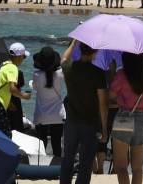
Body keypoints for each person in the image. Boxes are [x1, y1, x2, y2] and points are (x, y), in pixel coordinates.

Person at [59, 39, 109, 184]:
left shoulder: (69, 67)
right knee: (85, 163)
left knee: (68, 158)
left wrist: (74, 42)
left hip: (71, 121)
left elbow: (63, 58)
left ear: (80, 50)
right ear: (95, 52)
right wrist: (104, 127)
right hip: (90, 123)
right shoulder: (98, 73)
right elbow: (103, 103)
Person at [109, 52, 143, 184]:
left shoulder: (121, 75)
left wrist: (113, 71)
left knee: (121, 166)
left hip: (124, 116)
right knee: (137, 168)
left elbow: (111, 94)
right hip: (141, 119)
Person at [0, 44, 31, 135]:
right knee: (6, 134)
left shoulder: (3, 65)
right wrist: (24, 96)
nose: (23, 59)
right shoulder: (13, 68)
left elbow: (0, 85)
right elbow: (12, 89)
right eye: (23, 57)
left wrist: (9, 103)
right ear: (19, 57)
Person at [30, 47, 65, 159]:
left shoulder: (36, 75)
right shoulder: (60, 74)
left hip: (41, 114)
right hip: (58, 114)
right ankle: (57, 167)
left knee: (41, 143)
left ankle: (41, 167)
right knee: (56, 143)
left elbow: (35, 87)